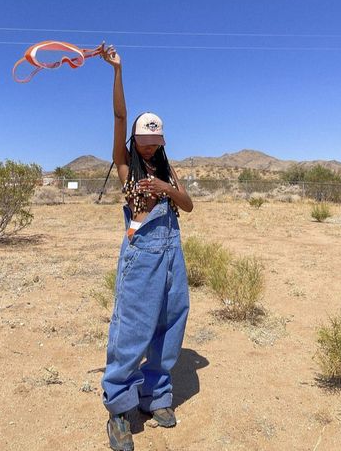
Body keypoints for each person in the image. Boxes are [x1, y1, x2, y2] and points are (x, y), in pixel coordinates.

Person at [101, 48, 193, 451]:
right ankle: (120, 409)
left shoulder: (166, 168)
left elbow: (187, 204)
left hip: (173, 251)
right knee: (132, 327)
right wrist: (118, 71)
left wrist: (166, 188)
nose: (149, 149)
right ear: (134, 139)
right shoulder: (125, 165)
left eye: (155, 143)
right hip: (142, 253)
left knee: (171, 322)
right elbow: (120, 116)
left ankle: (155, 395)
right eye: (143, 142)